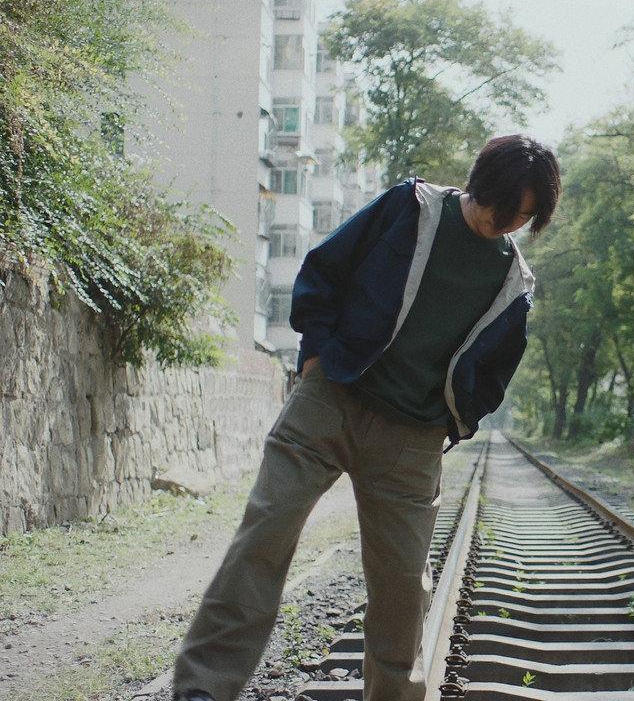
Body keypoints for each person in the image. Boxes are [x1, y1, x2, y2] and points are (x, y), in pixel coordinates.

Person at [171, 134, 560, 701]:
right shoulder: (412, 208)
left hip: (411, 438)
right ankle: (203, 688)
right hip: (330, 400)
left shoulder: (514, 284)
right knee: (264, 536)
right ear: (479, 185)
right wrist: (314, 357)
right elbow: (327, 268)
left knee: (402, 586)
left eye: (523, 218)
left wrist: (453, 422)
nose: (505, 224)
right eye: (502, 208)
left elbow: (496, 370)